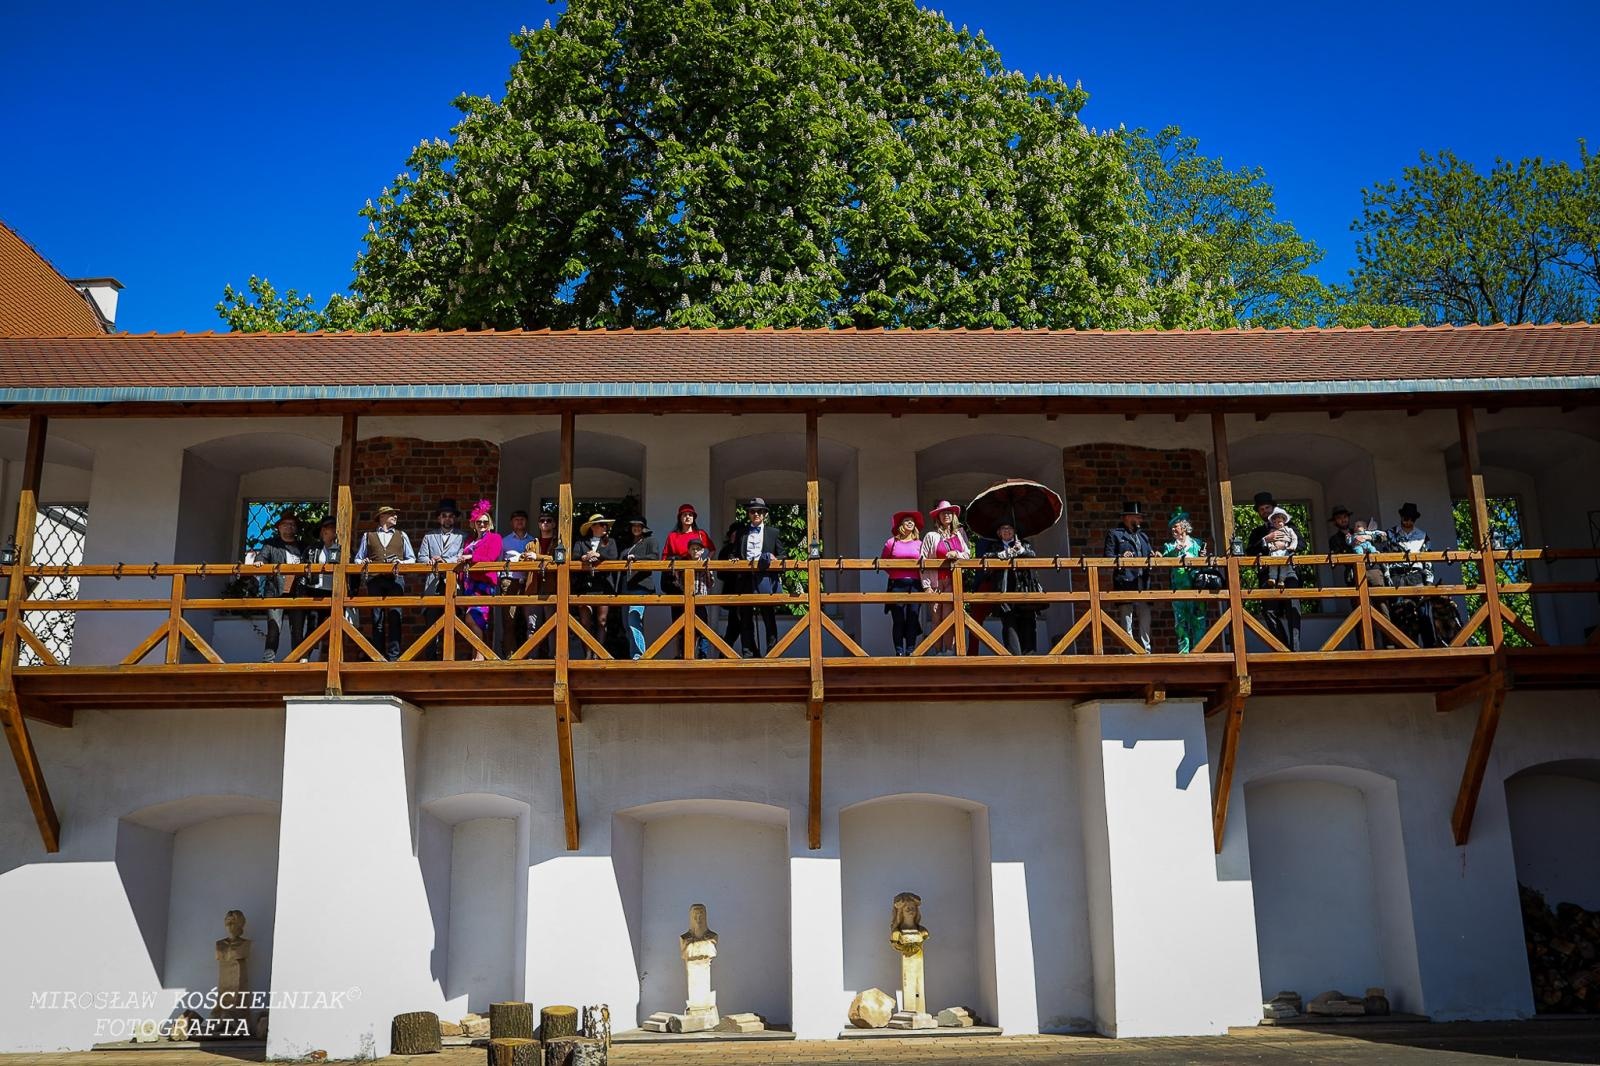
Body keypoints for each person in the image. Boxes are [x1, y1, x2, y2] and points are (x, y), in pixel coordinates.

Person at [354, 504, 415, 661]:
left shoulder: (402, 535)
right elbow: (358, 559)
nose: (395, 516)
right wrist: (364, 561)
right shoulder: (369, 536)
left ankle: (394, 656)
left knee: (395, 616)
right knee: (377, 618)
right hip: (375, 579)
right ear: (381, 518)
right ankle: (378, 655)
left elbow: (412, 559)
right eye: (391, 514)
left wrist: (400, 563)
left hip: (395, 580)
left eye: (395, 514)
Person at [1245, 491, 1301, 651]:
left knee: (1293, 607)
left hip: (1289, 572)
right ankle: (1283, 650)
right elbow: (1249, 551)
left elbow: (1302, 544)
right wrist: (1266, 540)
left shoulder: (1290, 527)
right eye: (1261, 509)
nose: (1265, 511)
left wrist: (1286, 545)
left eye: (1267, 507)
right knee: (1269, 610)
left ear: (1274, 508)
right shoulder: (1257, 532)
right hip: (1268, 575)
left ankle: (1296, 650)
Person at [661, 504, 715, 658]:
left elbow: (711, 549)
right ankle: (680, 654)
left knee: (700, 621)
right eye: (684, 514)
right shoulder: (673, 536)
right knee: (679, 621)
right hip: (678, 583)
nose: (687, 517)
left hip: (697, 582)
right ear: (679, 517)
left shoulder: (701, 534)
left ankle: (699, 654)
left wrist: (705, 562)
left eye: (690, 514)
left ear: (694, 517)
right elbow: (665, 557)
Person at [975, 522, 1038, 655]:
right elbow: (986, 557)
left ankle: (1029, 656)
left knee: (1027, 621)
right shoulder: (994, 546)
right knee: (1009, 624)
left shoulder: (1024, 544)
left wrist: (1021, 551)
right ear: (999, 532)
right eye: (1003, 528)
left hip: (1023, 589)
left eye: (1009, 528)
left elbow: (1032, 556)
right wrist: (1002, 554)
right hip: (1004, 589)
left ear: (1015, 531)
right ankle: (1014, 657)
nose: (1006, 531)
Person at [253, 512, 308, 663]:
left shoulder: (303, 546)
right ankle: (268, 660)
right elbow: (261, 558)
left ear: (296, 528)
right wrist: (259, 562)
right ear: (278, 528)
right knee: (274, 628)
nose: (289, 527)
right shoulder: (271, 544)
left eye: (292, 524)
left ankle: (297, 659)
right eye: (285, 524)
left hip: (297, 591)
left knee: (297, 630)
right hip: (275, 590)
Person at [732, 498, 783, 657]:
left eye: (759, 511)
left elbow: (783, 554)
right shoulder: (741, 532)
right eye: (753, 511)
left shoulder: (773, 532)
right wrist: (733, 559)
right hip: (745, 577)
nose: (756, 514)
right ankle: (748, 653)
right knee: (745, 617)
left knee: (768, 615)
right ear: (748, 514)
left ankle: (772, 652)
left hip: (765, 579)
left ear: (765, 514)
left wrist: (775, 558)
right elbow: (733, 552)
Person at [301, 516, 355, 661]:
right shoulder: (312, 550)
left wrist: (351, 592)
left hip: (335, 592)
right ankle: (305, 656)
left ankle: (337, 659)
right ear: (324, 531)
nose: (334, 531)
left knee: (337, 627)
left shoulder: (343, 549)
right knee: (313, 625)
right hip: (316, 591)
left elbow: (354, 572)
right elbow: (303, 569)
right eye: (331, 528)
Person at [920, 500, 970, 655]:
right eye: (943, 513)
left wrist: (957, 554)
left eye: (949, 513)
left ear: (953, 516)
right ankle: (937, 651)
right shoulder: (931, 536)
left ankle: (949, 650)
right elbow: (923, 561)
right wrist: (926, 586)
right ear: (938, 517)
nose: (946, 515)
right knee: (936, 617)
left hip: (953, 581)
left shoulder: (960, 534)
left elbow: (967, 555)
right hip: (935, 581)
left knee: (949, 616)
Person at [417, 498, 464, 659]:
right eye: (444, 515)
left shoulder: (462, 536)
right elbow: (421, 557)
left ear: (455, 518)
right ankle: (431, 660)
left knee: (451, 625)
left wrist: (446, 562)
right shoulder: (429, 536)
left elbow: (461, 557)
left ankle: (448, 659)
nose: (447, 519)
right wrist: (430, 561)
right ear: (439, 518)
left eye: (451, 516)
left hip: (452, 586)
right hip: (433, 585)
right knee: (431, 625)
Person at [1104, 502, 1153, 652]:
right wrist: (1121, 557)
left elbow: (1149, 553)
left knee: (1145, 617)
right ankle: (1129, 650)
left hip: (1142, 582)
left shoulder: (1143, 536)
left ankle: (1146, 650)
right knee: (1127, 617)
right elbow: (1107, 558)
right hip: (1125, 581)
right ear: (1127, 517)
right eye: (1137, 517)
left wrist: (1154, 555)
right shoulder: (1115, 534)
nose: (1140, 520)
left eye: (1141, 517)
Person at [1386, 502, 1437, 647]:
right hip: (1397, 576)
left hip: (1416, 575)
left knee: (1423, 612)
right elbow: (1384, 555)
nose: (1408, 521)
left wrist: (1429, 581)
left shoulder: (1423, 536)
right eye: (1406, 518)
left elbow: (1428, 558)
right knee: (1398, 611)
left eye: (1411, 519)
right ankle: (1399, 646)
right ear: (1401, 517)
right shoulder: (1390, 533)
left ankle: (1430, 647)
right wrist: (1388, 576)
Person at [458, 500, 503, 660]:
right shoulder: (470, 541)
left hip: (484, 583)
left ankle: (481, 654)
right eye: (479, 522)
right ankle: (476, 653)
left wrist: (471, 557)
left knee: (473, 617)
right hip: (469, 584)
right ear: (474, 524)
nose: (482, 524)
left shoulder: (495, 538)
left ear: (489, 523)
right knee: (474, 620)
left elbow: (490, 558)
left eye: (485, 522)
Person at [1162, 509, 1208, 654]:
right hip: (1179, 589)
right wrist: (1174, 551)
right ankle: (1184, 654)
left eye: (1175, 526)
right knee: (1181, 623)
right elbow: (1163, 558)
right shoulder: (1169, 546)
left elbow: (1204, 562)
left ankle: (1199, 652)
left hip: (1196, 587)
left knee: (1198, 621)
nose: (1173, 529)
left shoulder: (1198, 543)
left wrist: (1202, 557)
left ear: (1184, 526)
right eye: (1172, 527)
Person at [881, 510, 926, 656]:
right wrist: (897, 574)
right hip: (897, 584)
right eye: (907, 520)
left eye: (912, 521)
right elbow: (883, 562)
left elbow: (926, 563)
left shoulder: (920, 543)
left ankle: (911, 651)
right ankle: (899, 652)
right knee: (899, 619)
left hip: (915, 584)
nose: (910, 522)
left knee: (913, 617)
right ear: (901, 525)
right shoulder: (891, 542)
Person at [573, 514, 618, 655]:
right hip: (584, 586)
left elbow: (613, 557)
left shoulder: (611, 542)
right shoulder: (581, 542)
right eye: (601, 524)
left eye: (605, 525)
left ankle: (599, 654)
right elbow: (573, 557)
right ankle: (587, 653)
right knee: (585, 622)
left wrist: (599, 555)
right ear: (592, 527)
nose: (604, 527)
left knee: (602, 620)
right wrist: (584, 557)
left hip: (603, 585)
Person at [620, 517, 660, 660]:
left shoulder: (650, 541)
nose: (636, 528)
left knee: (634, 618)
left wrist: (636, 558)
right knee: (626, 624)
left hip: (641, 586)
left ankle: (639, 656)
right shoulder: (628, 544)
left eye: (639, 526)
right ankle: (634, 654)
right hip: (626, 587)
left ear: (644, 527)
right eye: (633, 526)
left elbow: (655, 558)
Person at [499, 509, 535, 653]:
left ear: (526, 522)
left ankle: (528, 654)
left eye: (522, 519)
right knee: (509, 621)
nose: (519, 522)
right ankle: (510, 655)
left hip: (528, 582)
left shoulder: (533, 541)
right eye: (516, 519)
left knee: (528, 621)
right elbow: (498, 562)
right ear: (511, 523)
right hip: (510, 582)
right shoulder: (504, 541)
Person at [717, 520, 749, 654]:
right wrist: (732, 567)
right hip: (732, 591)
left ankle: (748, 651)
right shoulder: (726, 550)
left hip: (746, 590)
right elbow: (720, 574)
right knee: (735, 624)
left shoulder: (746, 549)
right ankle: (727, 653)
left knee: (744, 624)